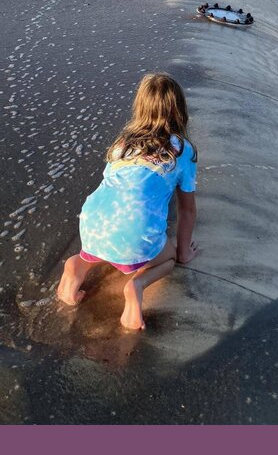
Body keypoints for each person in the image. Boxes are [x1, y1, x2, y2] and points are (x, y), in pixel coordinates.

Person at [57, 72, 198, 330]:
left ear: (140, 107)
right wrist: (183, 253)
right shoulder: (182, 150)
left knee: (109, 237)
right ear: (179, 110)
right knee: (168, 259)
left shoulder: (123, 143)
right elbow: (187, 211)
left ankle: (79, 263)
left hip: (91, 223)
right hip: (134, 233)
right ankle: (137, 285)